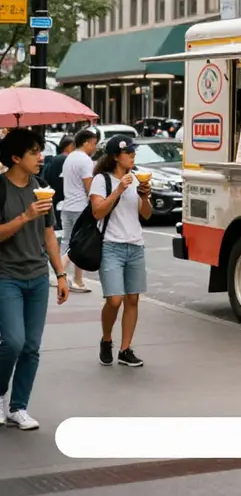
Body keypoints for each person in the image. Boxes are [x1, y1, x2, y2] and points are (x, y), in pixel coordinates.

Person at [0, 128, 69, 431]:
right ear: (16, 157)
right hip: (6, 277)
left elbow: (49, 236)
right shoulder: (0, 189)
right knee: (13, 342)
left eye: (40, 151)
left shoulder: (42, 187)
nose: (41, 157)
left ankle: (19, 407)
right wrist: (25, 216)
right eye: (34, 152)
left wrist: (61, 274)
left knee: (31, 346)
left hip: (38, 278)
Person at [90, 135, 152, 368]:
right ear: (116, 156)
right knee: (114, 300)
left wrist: (144, 196)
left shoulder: (137, 179)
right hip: (111, 245)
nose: (133, 156)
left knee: (133, 299)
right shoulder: (101, 180)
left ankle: (125, 349)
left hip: (135, 244)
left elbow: (146, 214)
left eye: (134, 153)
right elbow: (97, 212)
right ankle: (107, 339)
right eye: (129, 153)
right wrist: (118, 190)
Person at [59, 127, 99, 293]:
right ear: (86, 143)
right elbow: (89, 186)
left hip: (67, 205)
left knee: (67, 241)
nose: (95, 148)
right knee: (79, 244)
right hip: (80, 207)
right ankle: (66, 275)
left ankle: (74, 279)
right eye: (93, 144)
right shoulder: (85, 160)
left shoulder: (69, 158)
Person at [43, 135, 75, 231]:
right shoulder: (65, 159)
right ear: (69, 146)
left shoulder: (56, 159)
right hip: (62, 201)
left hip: (55, 199)